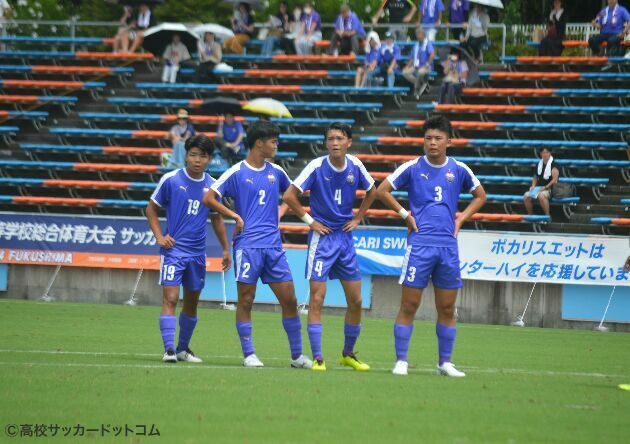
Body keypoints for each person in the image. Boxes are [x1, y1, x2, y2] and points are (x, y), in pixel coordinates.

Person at [375, 115, 486, 377]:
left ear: (449, 141)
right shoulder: (412, 167)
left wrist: (461, 218)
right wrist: (406, 215)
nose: (432, 143)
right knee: (409, 306)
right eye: (428, 138)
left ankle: (444, 363)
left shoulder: (459, 169)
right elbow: (382, 190)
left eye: (438, 138)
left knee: (447, 308)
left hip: (447, 246)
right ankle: (401, 360)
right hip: (420, 245)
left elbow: (480, 196)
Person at [203, 121, 312, 369]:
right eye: (273, 141)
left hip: (273, 247)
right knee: (246, 300)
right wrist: (234, 216)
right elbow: (208, 197)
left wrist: (280, 212)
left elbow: (291, 195)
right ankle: (249, 354)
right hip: (247, 246)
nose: (276, 145)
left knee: (289, 299)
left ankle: (296, 356)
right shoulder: (236, 172)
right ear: (259, 143)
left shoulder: (276, 171)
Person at [283, 123, 377, 372]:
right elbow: (290, 196)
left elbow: (372, 190)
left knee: (356, 300)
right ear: (326, 143)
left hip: (345, 239)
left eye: (340, 138)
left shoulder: (356, 166)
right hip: (322, 239)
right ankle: (318, 358)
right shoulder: (316, 166)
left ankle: (348, 354)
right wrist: (310, 221)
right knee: (317, 299)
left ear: (349, 142)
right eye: (331, 139)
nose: (335, 142)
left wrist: (358, 218)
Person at [146, 134, 231, 364]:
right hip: (174, 251)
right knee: (171, 298)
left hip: (197, 254)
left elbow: (217, 219)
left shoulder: (212, 186)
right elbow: (151, 210)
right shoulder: (171, 180)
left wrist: (225, 249)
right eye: (193, 155)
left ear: (209, 159)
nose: (197, 160)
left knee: (192, 302)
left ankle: (183, 349)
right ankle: (169, 349)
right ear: (186, 155)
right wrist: (159, 237)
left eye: (202, 156)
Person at [523, 147, 559, 217]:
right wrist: (533, 186)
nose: (545, 154)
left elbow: (555, 179)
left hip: (550, 188)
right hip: (539, 188)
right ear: (540, 154)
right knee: (526, 196)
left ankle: (547, 215)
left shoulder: (554, 164)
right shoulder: (539, 164)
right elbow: (535, 176)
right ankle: (531, 214)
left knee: (541, 195)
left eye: (546, 152)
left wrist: (545, 187)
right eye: (543, 153)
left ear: (550, 153)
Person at [402, 27, 435, 97]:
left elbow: (432, 54)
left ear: (423, 34)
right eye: (417, 34)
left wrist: (427, 64)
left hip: (426, 66)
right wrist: (407, 66)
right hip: (415, 66)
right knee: (404, 72)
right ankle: (421, 84)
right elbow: (412, 58)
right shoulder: (415, 45)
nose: (417, 35)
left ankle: (417, 89)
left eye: (419, 33)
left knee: (420, 72)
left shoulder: (428, 44)